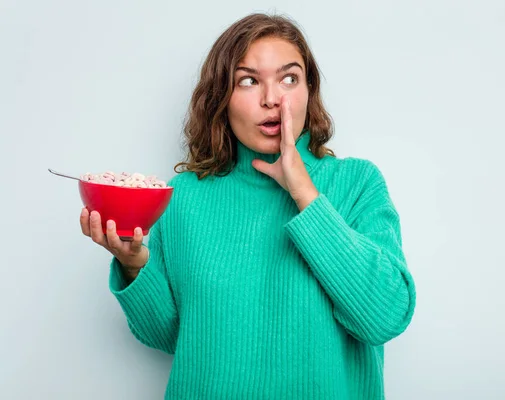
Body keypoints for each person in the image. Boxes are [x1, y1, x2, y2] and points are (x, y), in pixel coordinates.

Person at [80, 12, 416, 399]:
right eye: (249, 81)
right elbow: (176, 338)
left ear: (309, 89)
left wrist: (304, 193)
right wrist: (134, 264)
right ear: (221, 98)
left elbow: (385, 318)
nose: (272, 98)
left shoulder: (357, 183)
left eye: (289, 78)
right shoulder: (183, 196)